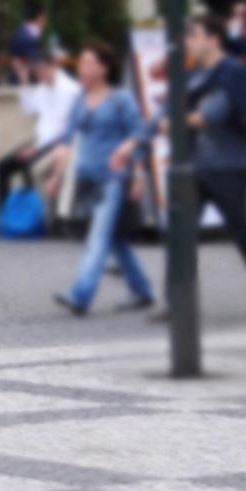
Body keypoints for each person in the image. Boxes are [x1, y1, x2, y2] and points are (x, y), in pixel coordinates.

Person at [115, 13, 246, 318]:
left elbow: (214, 113)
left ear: (214, 38)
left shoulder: (233, 71)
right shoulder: (193, 77)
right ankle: (177, 302)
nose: (188, 43)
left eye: (193, 35)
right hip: (195, 167)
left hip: (229, 167)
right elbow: (165, 111)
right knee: (180, 233)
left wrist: (182, 122)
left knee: (242, 232)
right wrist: (134, 142)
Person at [49, 43, 155, 315]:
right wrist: (57, 176)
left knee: (97, 239)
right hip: (88, 179)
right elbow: (67, 140)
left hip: (115, 178)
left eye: (87, 62)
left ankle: (81, 294)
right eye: (81, 63)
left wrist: (140, 176)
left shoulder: (121, 98)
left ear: (103, 67)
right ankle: (142, 290)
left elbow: (139, 135)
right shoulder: (80, 100)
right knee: (116, 240)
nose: (82, 68)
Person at [0, 53, 81, 215]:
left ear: (53, 66)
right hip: (40, 142)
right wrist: (24, 82)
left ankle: (34, 218)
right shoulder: (41, 89)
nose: (39, 74)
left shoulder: (71, 90)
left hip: (59, 144)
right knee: (1, 167)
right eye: (37, 71)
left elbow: (67, 130)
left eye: (42, 70)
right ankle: (4, 217)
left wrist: (36, 149)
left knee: (29, 165)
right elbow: (29, 110)